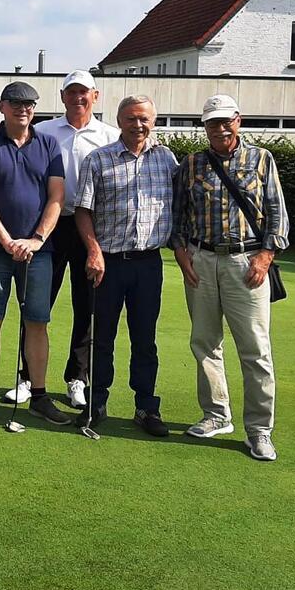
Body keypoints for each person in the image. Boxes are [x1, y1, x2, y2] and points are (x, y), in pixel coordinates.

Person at [170, 94, 290, 462]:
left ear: (238, 120)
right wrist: (182, 254)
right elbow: (178, 217)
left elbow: (277, 214)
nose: (220, 128)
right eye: (212, 122)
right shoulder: (191, 164)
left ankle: (259, 430)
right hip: (201, 260)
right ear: (204, 126)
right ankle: (216, 415)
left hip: (247, 262)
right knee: (205, 343)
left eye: (225, 121)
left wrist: (266, 256)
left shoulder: (261, 159)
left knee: (255, 351)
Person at [0, 81, 71, 428]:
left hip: (39, 251)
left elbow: (56, 197)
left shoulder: (48, 144)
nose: (22, 108)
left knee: (37, 322)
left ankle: (38, 396)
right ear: (2, 106)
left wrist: (37, 238)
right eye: (15, 103)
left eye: (29, 103)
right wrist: (8, 239)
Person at [74, 94, 177, 436]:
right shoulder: (98, 160)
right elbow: (84, 211)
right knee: (101, 337)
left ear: (154, 121)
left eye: (144, 118)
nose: (138, 125)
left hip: (148, 263)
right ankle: (95, 404)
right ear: (119, 121)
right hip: (108, 263)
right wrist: (92, 251)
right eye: (131, 118)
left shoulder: (167, 160)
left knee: (144, 338)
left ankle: (146, 407)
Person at [35, 71, 117, 409]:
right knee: (38, 305)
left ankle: (77, 378)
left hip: (91, 229)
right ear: (63, 95)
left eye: (84, 92)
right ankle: (29, 377)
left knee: (87, 308)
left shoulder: (111, 135)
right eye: (71, 92)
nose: (78, 98)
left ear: (95, 96)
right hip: (51, 225)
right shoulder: (43, 131)